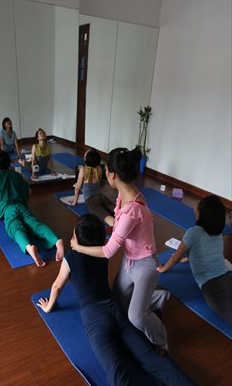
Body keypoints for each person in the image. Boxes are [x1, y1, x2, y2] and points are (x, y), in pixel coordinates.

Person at [37, 214, 228, 386]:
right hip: (116, 311)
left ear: (77, 240)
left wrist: (49, 306)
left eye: (74, 236)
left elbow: (56, 286)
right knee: (150, 357)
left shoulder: (72, 258)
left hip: (95, 319)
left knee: (117, 372)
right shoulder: (102, 255)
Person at [71, 147, 169, 350]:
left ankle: (162, 340)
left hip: (145, 266)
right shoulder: (124, 194)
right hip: (130, 260)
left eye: (106, 170)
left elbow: (107, 251)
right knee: (117, 300)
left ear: (113, 175)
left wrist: (78, 247)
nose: (104, 172)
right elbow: (119, 224)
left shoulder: (132, 208)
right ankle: (158, 298)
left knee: (135, 317)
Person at [0, 151, 64, 266]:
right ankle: (56, 241)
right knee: (35, 224)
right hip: (21, 206)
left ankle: (29, 247)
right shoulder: (15, 174)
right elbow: (29, 191)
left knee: (15, 227)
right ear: (9, 164)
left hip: (8, 209)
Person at [159, 195, 232, 324]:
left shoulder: (193, 233)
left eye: (199, 204)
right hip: (227, 275)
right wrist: (188, 258)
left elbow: (175, 258)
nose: (197, 204)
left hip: (212, 285)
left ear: (201, 213)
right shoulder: (217, 231)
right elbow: (206, 250)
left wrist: (162, 269)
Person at [70, 148, 115, 227]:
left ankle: (117, 226)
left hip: (90, 199)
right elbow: (100, 182)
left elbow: (77, 188)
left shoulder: (83, 170)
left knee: (103, 214)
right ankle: (126, 218)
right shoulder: (99, 169)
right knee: (114, 209)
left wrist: (74, 202)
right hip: (101, 196)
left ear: (86, 159)